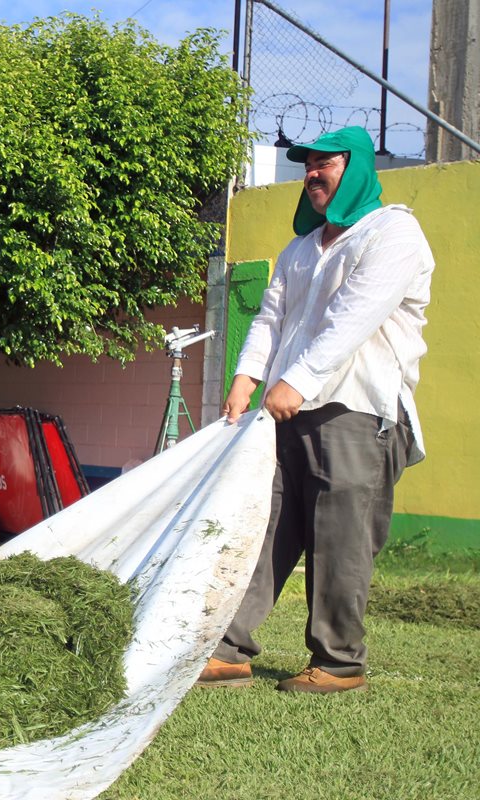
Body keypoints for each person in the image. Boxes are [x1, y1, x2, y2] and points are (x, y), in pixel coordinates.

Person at [198, 126, 434, 693]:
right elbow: (270, 318)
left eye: (323, 164)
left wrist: (296, 380)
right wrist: (246, 378)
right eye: (305, 166)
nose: (310, 174)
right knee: (264, 527)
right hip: (288, 411)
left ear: (353, 168)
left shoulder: (394, 233)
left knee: (340, 537)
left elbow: (354, 317)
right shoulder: (301, 249)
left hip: (357, 412)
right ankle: (230, 650)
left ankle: (337, 663)